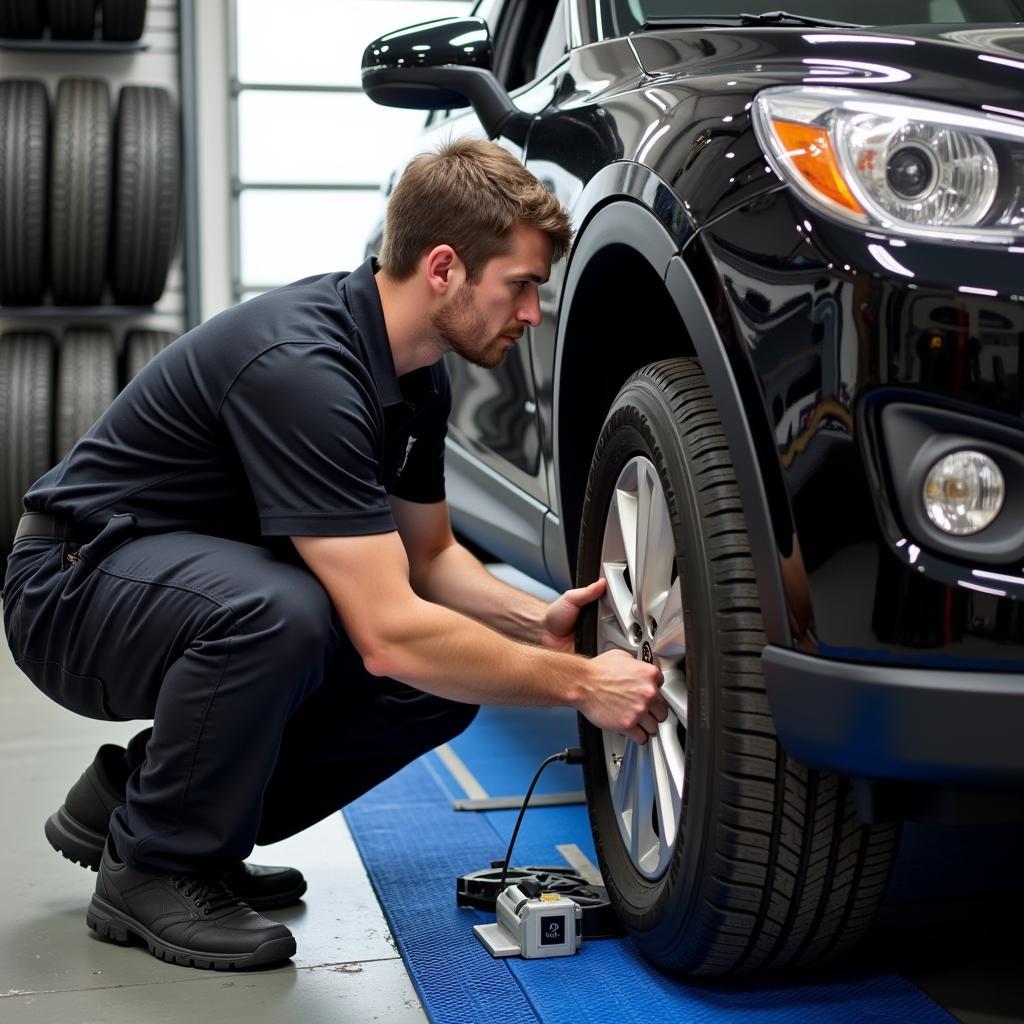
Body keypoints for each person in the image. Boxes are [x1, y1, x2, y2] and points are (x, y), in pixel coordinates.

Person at [1, 139, 666, 971]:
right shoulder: (305, 368)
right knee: (289, 615)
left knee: (441, 687)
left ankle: (151, 805)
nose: (533, 313)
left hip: (173, 579)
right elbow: (388, 632)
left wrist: (536, 625)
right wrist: (581, 685)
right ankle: (157, 864)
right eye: (521, 286)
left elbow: (429, 559)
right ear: (445, 268)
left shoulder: (417, 373)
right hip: (70, 587)